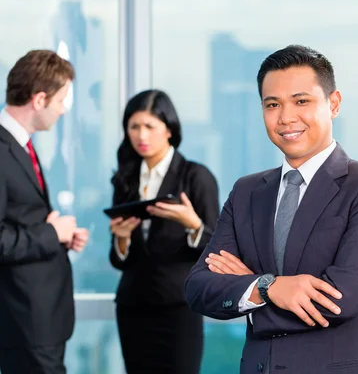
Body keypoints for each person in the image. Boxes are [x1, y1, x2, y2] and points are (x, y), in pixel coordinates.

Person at [184, 45, 358, 373]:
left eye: (301, 101)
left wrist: (250, 288)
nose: (286, 117)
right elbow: (199, 288)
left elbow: (340, 301)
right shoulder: (247, 192)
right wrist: (269, 286)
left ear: (334, 104)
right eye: (273, 104)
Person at [108, 90, 219, 374]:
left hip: (178, 307)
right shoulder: (125, 179)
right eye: (134, 127)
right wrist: (121, 238)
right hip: (132, 307)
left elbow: (217, 250)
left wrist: (192, 224)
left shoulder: (196, 176)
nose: (141, 136)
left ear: (169, 129)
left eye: (149, 126)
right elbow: (119, 260)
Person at [0, 49, 89, 374]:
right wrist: (52, 233)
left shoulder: (21, 145)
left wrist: (57, 234)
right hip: (25, 319)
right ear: (39, 100)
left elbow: (17, 218)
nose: (64, 110)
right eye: (61, 100)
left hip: (39, 319)